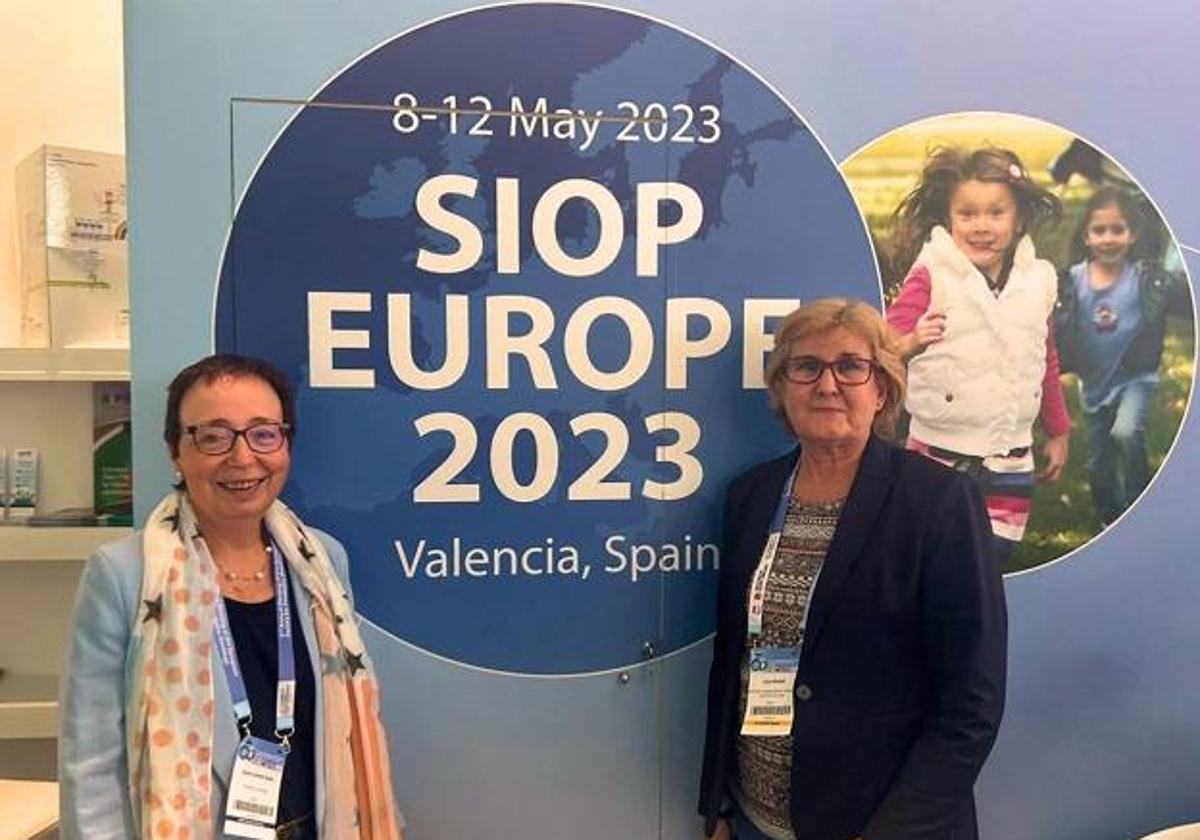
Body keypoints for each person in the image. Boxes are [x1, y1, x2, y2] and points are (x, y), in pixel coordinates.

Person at [59, 354, 404, 839]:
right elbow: (91, 764)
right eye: (214, 436)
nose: (243, 458)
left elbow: (348, 732)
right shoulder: (123, 575)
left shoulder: (323, 562)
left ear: (286, 444)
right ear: (176, 452)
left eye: (264, 433)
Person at [698, 299, 1007, 840]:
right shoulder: (751, 495)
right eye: (806, 366)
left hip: (882, 825)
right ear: (783, 387)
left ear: (882, 388)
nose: (826, 384)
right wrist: (718, 803)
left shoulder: (938, 501)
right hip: (757, 821)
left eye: (850, 366)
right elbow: (734, 658)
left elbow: (971, 703)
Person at [885, 145, 1071, 565]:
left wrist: (1058, 430)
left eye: (995, 213)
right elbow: (880, 346)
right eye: (967, 214)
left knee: (989, 560)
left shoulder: (1038, 281)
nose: (981, 227)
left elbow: (1045, 359)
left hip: (1011, 453)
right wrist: (912, 341)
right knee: (929, 553)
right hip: (938, 448)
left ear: (1019, 217)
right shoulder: (933, 275)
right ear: (949, 220)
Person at [1054, 187, 1192, 526]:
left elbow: (1186, 299)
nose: (1108, 238)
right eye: (1099, 230)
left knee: (1127, 432)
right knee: (1100, 458)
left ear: (1133, 235)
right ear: (1086, 235)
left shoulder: (1147, 279)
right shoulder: (1071, 282)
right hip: (1094, 386)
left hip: (1135, 378)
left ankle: (1138, 505)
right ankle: (1109, 514)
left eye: (1118, 229)